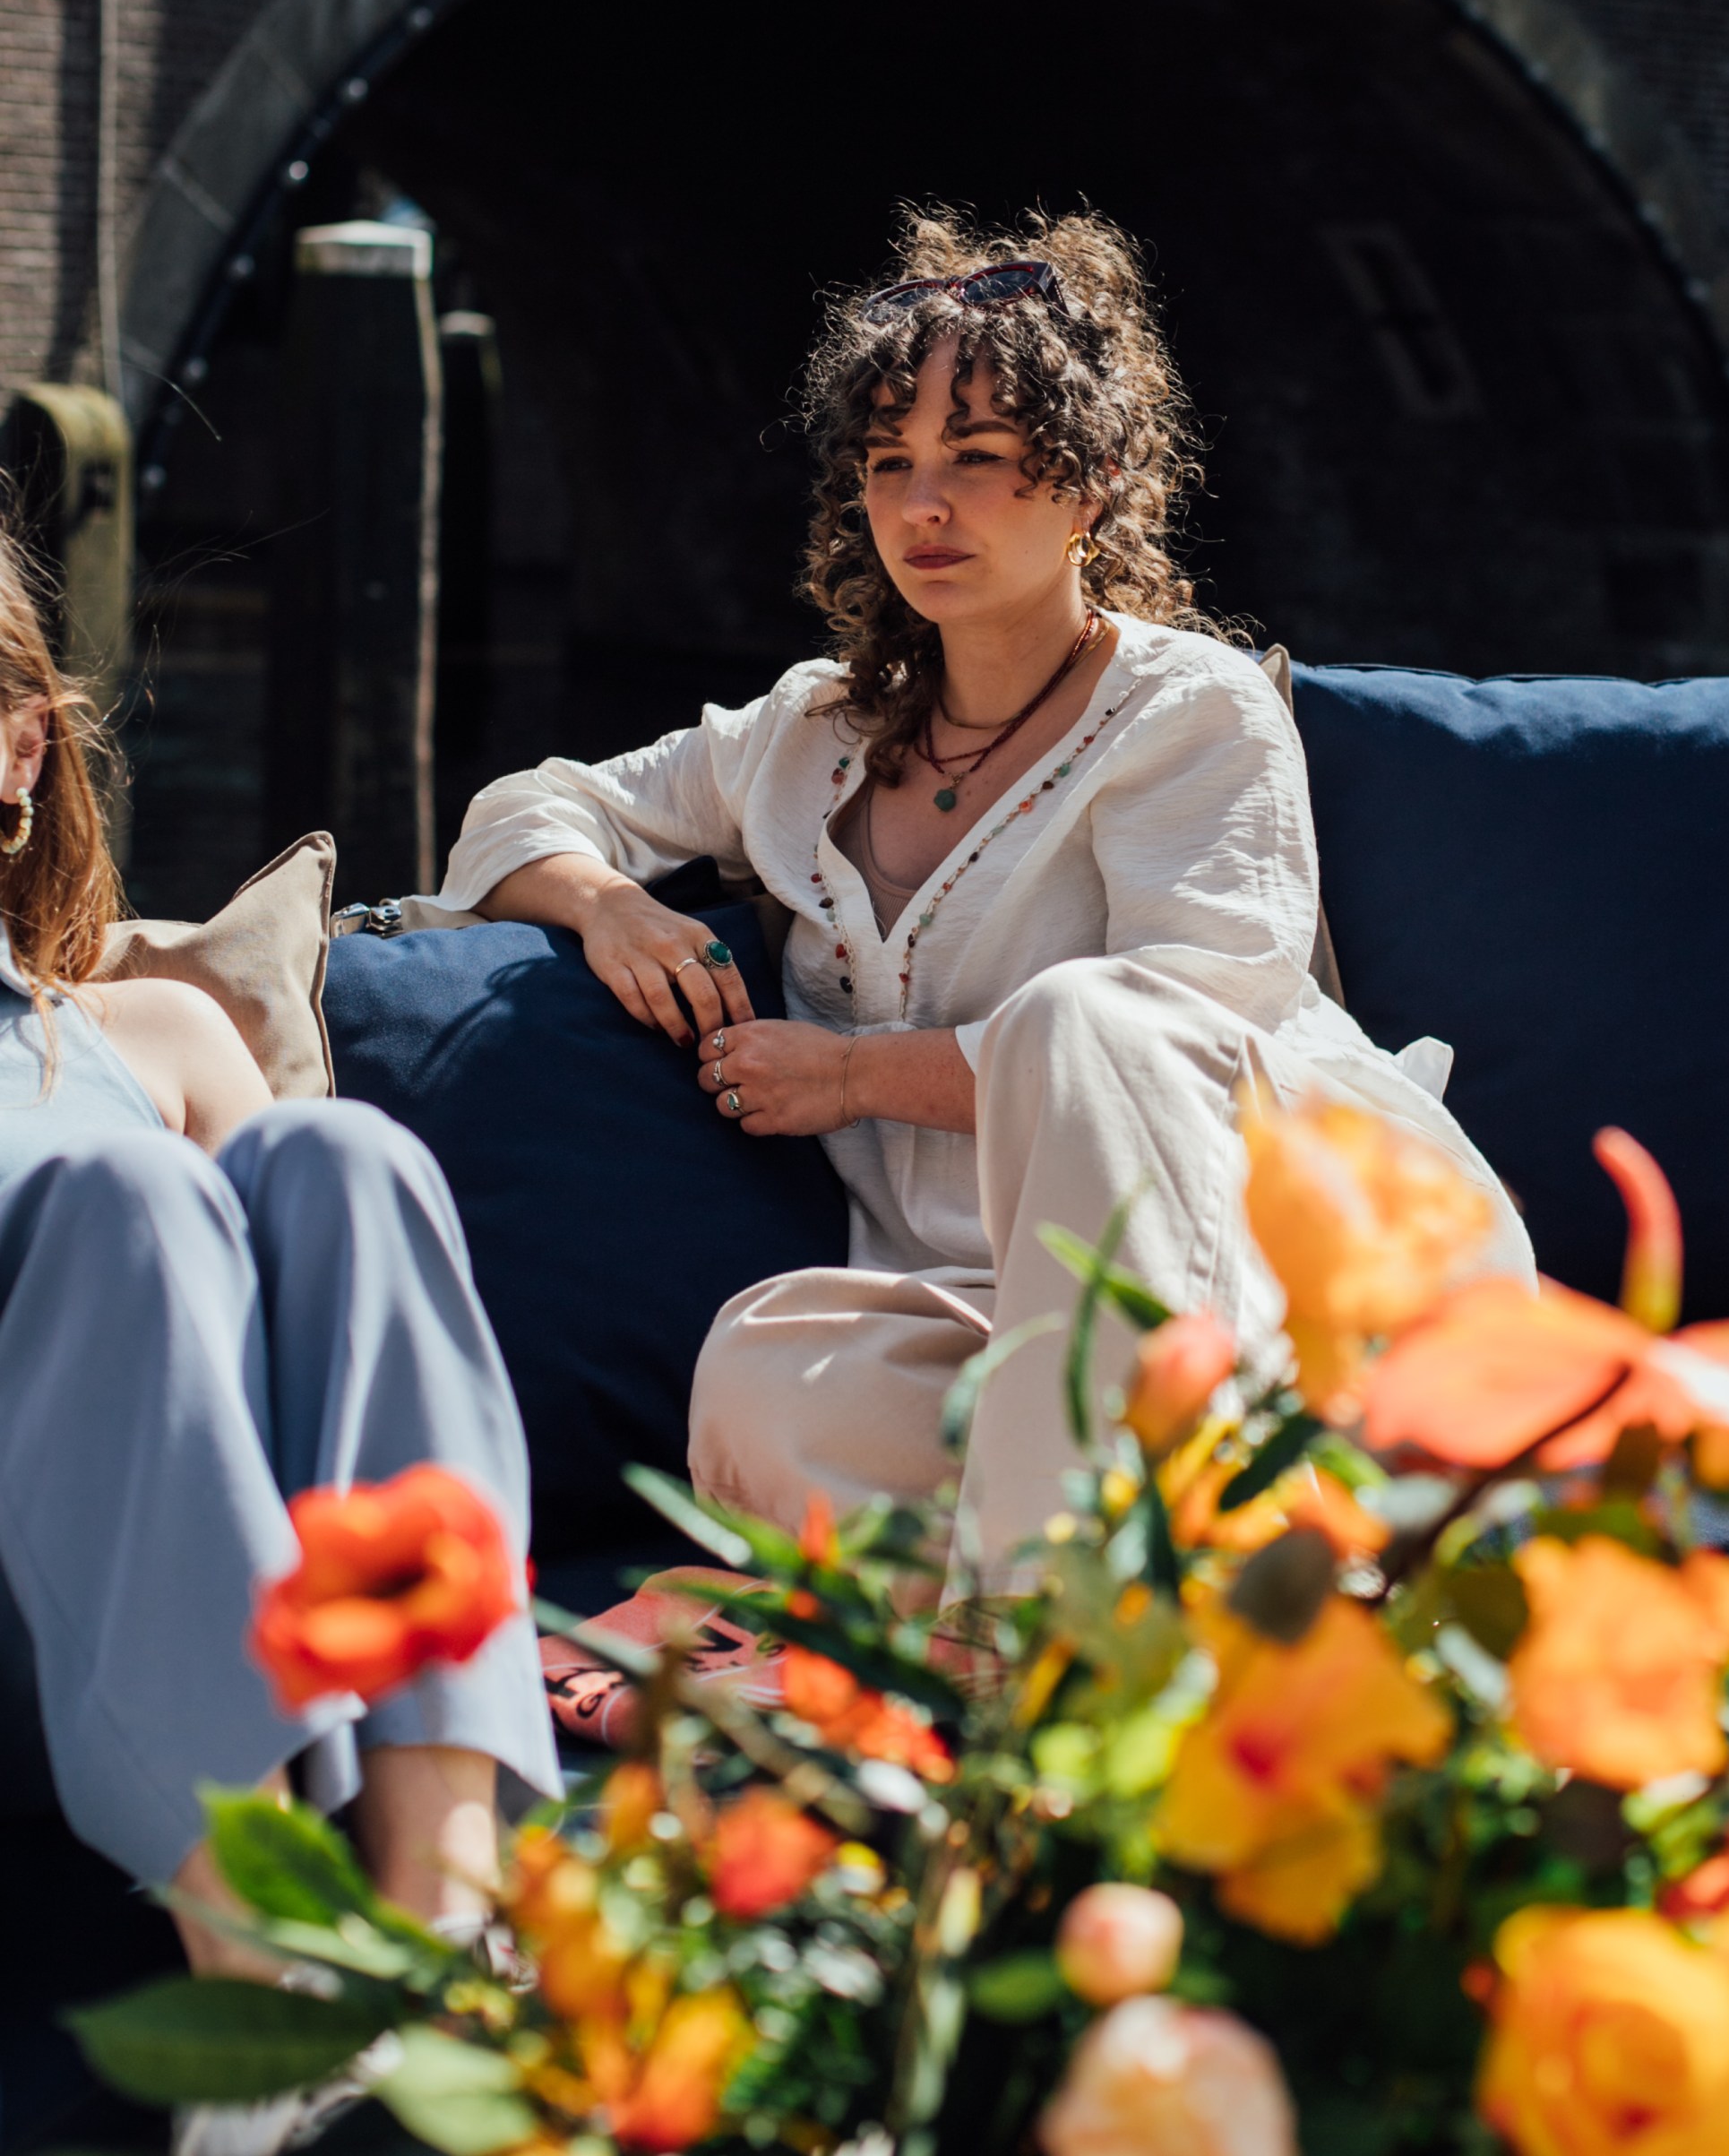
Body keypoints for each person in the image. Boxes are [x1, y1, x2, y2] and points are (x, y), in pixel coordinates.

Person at [423, 213, 1533, 1574]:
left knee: (1088, 1023)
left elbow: (1184, 1048)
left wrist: (852, 1078)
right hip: (995, 1310)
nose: (921, 507)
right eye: (891, 464)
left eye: (978, 460)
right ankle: (1204, 1556)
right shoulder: (814, 732)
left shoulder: (1193, 713)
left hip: (1274, 1281)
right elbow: (526, 806)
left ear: (1093, 480)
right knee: (758, 1374)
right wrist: (607, 904)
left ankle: (1058, 1645)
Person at [0, 537, 557, 2015]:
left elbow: (329, 1346)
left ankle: (438, 1927)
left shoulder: (156, 1037)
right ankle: (267, 1992)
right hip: (33, 1606)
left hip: (251, 1584)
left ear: (20, 753)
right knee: (123, 1197)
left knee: (344, 1169)